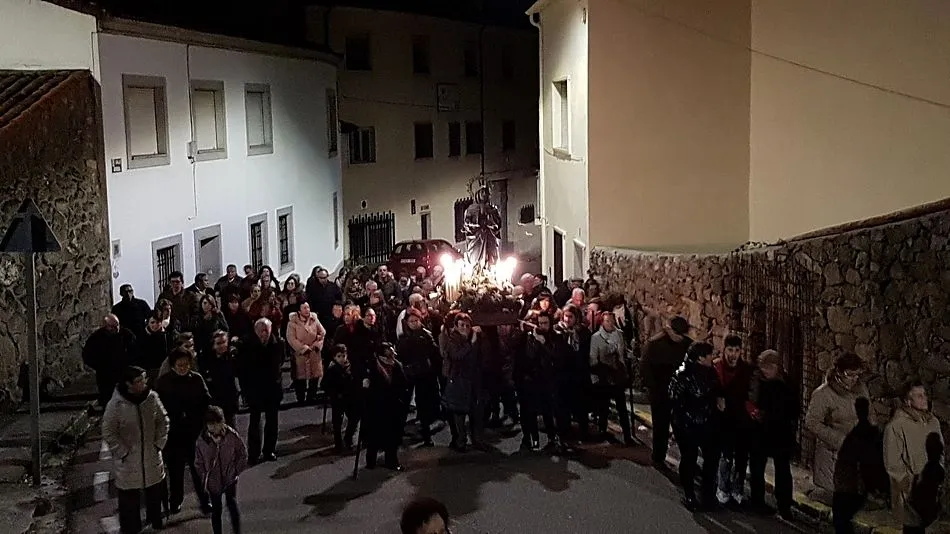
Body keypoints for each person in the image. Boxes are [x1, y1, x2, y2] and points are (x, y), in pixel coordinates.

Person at [102, 366, 169, 534]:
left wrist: (158, 444)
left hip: (151, 456)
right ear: (129, 384)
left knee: (155, 493)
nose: (143, 384)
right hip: (129, 461)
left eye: (144, 379)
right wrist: (122, 451)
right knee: (129, 500)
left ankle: (156, 521)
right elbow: (109, 431)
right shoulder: (116, 405)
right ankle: (131, 528)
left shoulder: (152, 398)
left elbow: (163, 421)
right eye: (139, 381)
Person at [155, 347, 212, 515]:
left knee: (199, 470)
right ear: (173, 365)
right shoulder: (164, 383)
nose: (183, 368)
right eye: (180, 365)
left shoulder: (196, 379)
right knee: (176, 470)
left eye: (186, 365)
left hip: (194, 432)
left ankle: (204, 500)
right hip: (174, 434)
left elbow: (206, 400)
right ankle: (176, 501)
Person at [668, 342, 723, 511]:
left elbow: (716, 392)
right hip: (687, 424)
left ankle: (708, 495)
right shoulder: (682, 375)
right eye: (709, 355)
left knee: (712, 460)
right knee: (689, 459)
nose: (712, 357)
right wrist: (682, 422)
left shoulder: (711, 373)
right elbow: (674, 400)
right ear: (700, 358)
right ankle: (689, 494)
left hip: (707, 422)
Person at [805, 353, 869, 494]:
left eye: (857, 375)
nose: (854, 379)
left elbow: (869, 413)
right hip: (833, 454)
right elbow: (811, 422)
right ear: (839, 372)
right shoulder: (823, 394)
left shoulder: (861, 389)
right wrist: (838, 439)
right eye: (850, 374)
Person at [884, 381, 943, 533]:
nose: (924, 399)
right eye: (919, 396)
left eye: (924, 395)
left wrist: (937, 476)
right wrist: (909, 484)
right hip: (910, 492)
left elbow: (940, 451)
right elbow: (893, 462)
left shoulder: (933, 423)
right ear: (908, 401)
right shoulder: (896, 426)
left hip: (931, 488)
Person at [746, 349, 799, 519]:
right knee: (757, 467)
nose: (765, 371)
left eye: (769, 368)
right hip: (759, 431)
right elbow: (749, 401)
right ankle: (757, 501)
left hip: (780, 432)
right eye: (763, 368)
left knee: (783, 469)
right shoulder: (756, 381)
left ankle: (784, 504)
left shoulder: (787, 383)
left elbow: (794, 408)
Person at [640, 315, 693, 468]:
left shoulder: (687, 345)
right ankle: (658, 456)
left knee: (682, 427)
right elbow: (645, 367)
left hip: (679, 393)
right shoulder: (654, 345)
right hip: (660, 392)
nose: (680, 338)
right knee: (660, 426)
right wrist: (652, 388)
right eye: (677, 335)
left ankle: (687, 459)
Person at [832, 397, 887, 534]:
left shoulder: (857, 435)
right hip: (856, 484)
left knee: (841, 518)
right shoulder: (871, 433)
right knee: (844, 519)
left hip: (851, 484)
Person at [237, 318, 284, 463]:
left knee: (272, 420)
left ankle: (269, 450)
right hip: (254, 387)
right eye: (261, 331)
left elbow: (280, 362)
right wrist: (245, 391)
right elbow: (242, 369)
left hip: (272, 387)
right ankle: (254, 453)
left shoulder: (278, 344)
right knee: (255, 420)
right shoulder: (246, 344)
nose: (264, 334)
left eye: (267, 330)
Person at [195, 406, 248, 534]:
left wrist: (236, 470)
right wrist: (205, 477)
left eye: (218, 423)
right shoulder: (202, 441)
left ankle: (237, 531)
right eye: (211, 424)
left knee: (232, 504)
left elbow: (242, 453)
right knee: (216, 510)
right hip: (214, 481)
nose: (215, 427)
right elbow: (199, 462)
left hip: (230, 477)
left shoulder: (231, 435)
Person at [715, 334, 753, 505]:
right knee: (726, 456)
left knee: (742, 457)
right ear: (724, 350)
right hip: (723, 420)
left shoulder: (746, 370)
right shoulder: (717, 368)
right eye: (730, 350)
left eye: (737, 350)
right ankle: (722, 487)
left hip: (742, 420)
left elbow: (750, 395)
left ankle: (737, 488)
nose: (733, 354)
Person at [397, 308, 442, 447]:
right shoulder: (404, 337)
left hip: (424, 373)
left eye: (416, 321)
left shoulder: (426, 335)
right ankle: (398, 433)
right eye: (411, 321)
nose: (414, 323)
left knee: (423, 404)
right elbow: (401, 354)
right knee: (404, 402)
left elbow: (434, 352)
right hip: (410, 373)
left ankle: (426, 434)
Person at [589, 311, 634, 445]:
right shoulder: (596, 337)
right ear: (602, 322)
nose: (610, 323)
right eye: (607, 321)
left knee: (622, 407)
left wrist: (627, 359)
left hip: (618, 375)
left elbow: (623, 352)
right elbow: (593, 358)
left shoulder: (619, 334)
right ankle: (602, 430)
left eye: (611, 320)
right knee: (603, 406)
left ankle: (627, 435)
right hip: (604, 376)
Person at [364, 343, 408, 471]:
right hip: (376, 407)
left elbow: (404, 385)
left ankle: (392, 461)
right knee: (374, 435)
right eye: (388, 354)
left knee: (392, 436)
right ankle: (370, 460)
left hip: (393, 406)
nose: (391, 356)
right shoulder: (372, 366)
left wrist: (401, 400)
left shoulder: (397, 366)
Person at [83, 314, 138, 407]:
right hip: (106, 376)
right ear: (106, 326)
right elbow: (88, 356)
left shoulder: (126, 334)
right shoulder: (96, 338)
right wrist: (100, 367)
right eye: (112, 327)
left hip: (124, 373)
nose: (116, 328)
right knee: (108, 401)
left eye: (117, 325)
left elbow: (135, 350)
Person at [286, 302, 327, 404]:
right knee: (300, 376)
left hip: (314, 351)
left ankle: (311, 396)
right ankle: (300, 397)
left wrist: (317, 344)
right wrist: (302, 348)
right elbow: (291, 338)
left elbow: (322, 332)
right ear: (299, 311)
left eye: (308, 307)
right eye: (304, 308)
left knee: (315, 375)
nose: (307, 310)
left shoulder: (314, 319)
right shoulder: (292, 323)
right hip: (301, 354)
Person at [322, 344, 360, 451]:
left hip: (350, 398)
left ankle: (348, 437)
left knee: (354, 417)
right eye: (339, 356)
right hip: (338, 399)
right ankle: (338, 443)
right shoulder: (332, 369)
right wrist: (334, 393)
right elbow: (325, 385)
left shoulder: (351, 367)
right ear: (334, 357)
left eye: (343, 356)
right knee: (337, 422)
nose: (342, 359)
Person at [204, 331, 241, 427]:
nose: (222, 346)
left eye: (224, 342)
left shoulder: (232, 358)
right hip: (215, 401)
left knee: (231, 429)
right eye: (218, 343)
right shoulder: (207, 360)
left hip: (229, 400)